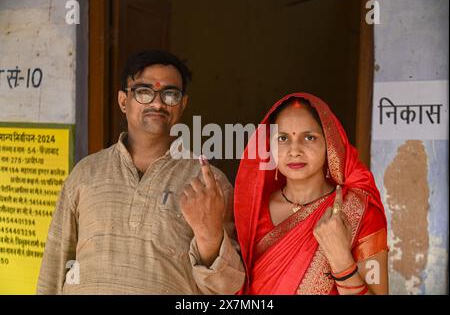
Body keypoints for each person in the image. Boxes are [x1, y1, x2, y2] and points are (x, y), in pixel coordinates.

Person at [37, 50, 245, 294]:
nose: (158, 103)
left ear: (183, 104)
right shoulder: (86, 173)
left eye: (170, 94)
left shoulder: (209, 183)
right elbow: (55, 265)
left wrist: (209, 236)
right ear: (124, 101)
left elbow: (229, 287)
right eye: (144, 92)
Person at [234, 93, 389, 295]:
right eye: (282, 138)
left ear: (329, 144)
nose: (294, 150)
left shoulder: (361, 213)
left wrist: (341, 260)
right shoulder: (252, 212)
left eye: (309, 137)